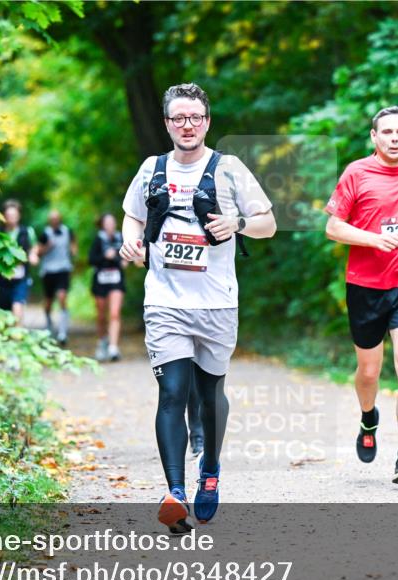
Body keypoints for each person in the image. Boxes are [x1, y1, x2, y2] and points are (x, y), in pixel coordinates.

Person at [119, 82, 275, 532]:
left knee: (208, 396)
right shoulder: (152, 168)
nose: (187, 126)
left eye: (195, 118)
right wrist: (132, 238)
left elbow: (268, 223)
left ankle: (209, 471)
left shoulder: (230, 170)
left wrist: (238, 222)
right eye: (178, 118)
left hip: (217, 305)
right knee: (172, 393)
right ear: (167, 123)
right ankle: (175, 492)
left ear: (207, 121)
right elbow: (133, 214)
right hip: (165, 301)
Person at [324, 106, 398, 485]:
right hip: (365, 285)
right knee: (369, 371)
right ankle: (368, 416)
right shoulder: (357, 173)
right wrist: (373, 239)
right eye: (387, 132)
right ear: (374, 137)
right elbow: (333, 227)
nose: (395, 138)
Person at [0, 199, 38, 325]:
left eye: (14, 215)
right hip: (2, 279)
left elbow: (34, 246)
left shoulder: (27, 232)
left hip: (20, 278)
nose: (11, 218)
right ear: (4, 216)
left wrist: (33, 255)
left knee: (17, 308)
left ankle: (17, 338)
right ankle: (7, 342)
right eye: (9, 215)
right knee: (4, 314)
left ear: (19, 216)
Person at [88, 212, 126, 361]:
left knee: (115, 313)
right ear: (103, 225)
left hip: (116, 279)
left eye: (112, 222)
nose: (110, 225)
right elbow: (91, 259)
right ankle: (102, 341)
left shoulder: (120, 238)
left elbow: (127, 255)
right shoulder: (98, 240)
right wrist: (104, 256)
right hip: (100, 280)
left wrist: (124, 261)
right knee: (101, 315)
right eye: (107, 223)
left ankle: (113, 347)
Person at [37, 209, 77, 344]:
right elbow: (38, 252)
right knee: (48, 302)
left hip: (63, 269)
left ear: (60, 219)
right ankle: (49, 325)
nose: (54, 221)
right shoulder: (45, 234)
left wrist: (73, 251)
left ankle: (62, 332)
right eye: (52, 219)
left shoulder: (68, 231)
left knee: (62, 298)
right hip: (48, 271)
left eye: (56, 219)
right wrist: (48, 246)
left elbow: (73, 248)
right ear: (49, 221)